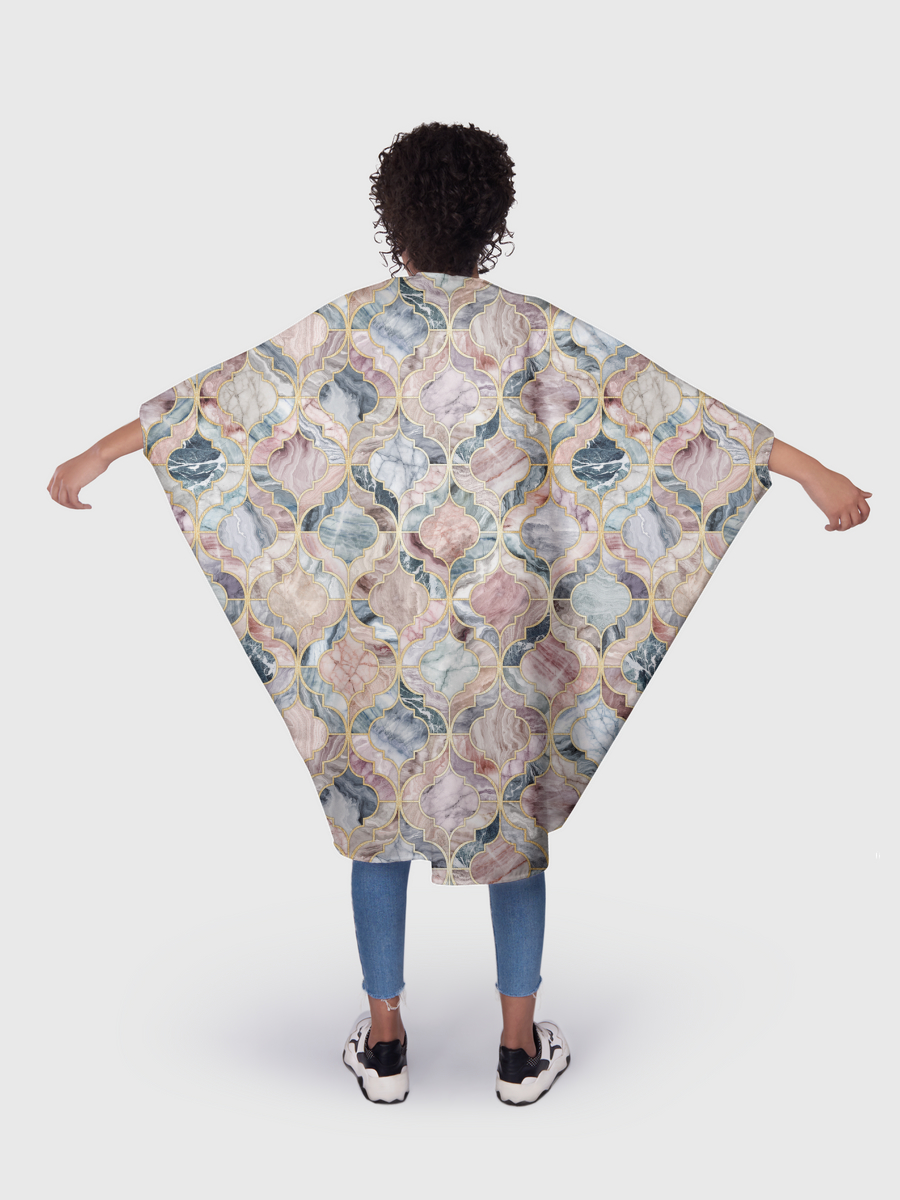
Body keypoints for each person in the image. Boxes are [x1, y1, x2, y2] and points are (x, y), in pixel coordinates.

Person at [47, 122, 872, 1107]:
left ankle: (384, 1042)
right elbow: (672, 420)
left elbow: (218, 409)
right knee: (511, 814)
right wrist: (810, 472)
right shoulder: (534, 328)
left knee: (374, 814)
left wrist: (100, 454)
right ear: (495, 219)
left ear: (391, 217)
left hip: (376, 622)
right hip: (505, 623)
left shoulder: (347, 328)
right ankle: (518, 1050)